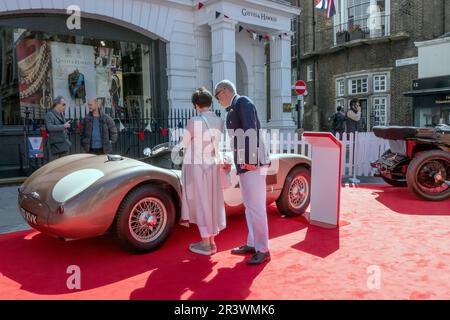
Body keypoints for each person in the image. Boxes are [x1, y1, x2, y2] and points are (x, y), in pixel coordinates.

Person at [214, 79, 271, 265]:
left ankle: (263, 249)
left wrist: (250, 160)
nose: (217, 100)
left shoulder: (243, 102)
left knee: (256, 207)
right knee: (249, 206)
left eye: (217, 96)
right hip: (245, 164)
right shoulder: (234, 108)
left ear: (224, 91)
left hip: (253, 163)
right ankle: (253, 243)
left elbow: (251, 132)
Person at [180, 87, 226, 256]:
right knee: (213, 202)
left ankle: (206, 243)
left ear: (196, 105)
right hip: (213, 165)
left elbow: (184, 143)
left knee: (201, 202)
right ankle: (212, 241)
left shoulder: (194, 121)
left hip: (199, 167)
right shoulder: (219, 121)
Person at [45, 96, 72, 161]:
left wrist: (67, 126)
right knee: (55, 167)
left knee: (64, 166)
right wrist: (64, 126)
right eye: (63, 104)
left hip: (64, 145)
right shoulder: (50, 114)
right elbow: (49, 127)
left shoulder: (61, 115)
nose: (65, 106)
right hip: (56, 146)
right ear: (57, 104)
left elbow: (64, 127)